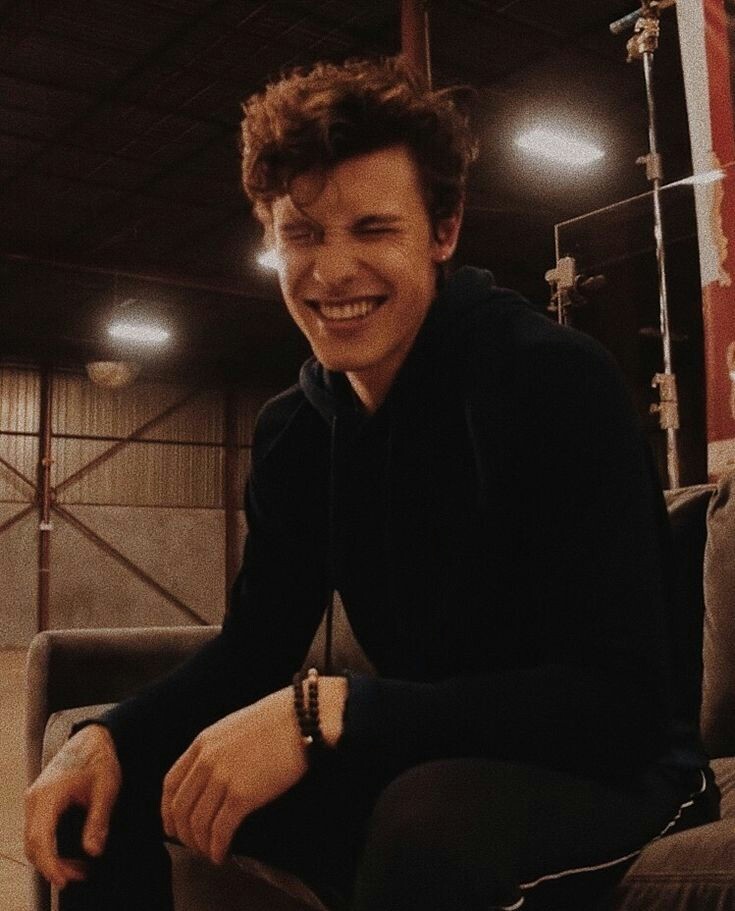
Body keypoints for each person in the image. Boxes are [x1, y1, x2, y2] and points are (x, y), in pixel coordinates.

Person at [25, 55, 718, 911]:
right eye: (302, 235)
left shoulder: (549, 381)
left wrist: (327, 712)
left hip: (618, 770)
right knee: (110, 782)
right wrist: (107, 735)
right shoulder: (296, 431)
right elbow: (253, 649)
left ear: (442, 232)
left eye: (373, 229)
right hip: (427, 754)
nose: (332, 272)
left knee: (426, 824)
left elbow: (617, 706)